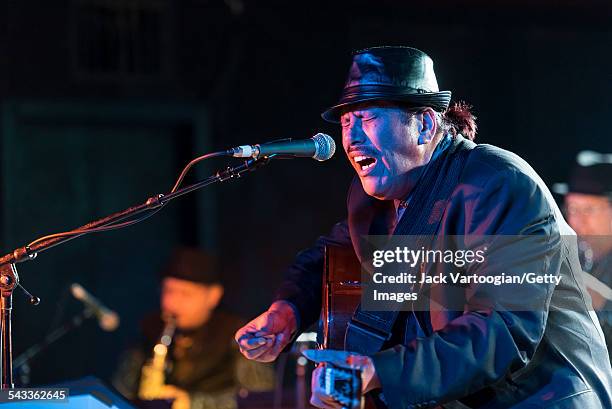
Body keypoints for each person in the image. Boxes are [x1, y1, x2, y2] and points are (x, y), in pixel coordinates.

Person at [234, 46, 612, 408]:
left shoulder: (499, 184)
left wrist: (377, 370)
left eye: (367, 119)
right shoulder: (377, 202)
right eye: (347, 123)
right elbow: (330, 256)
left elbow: (502, 331)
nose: (351, 139)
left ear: (425, 125)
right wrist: (288, 311)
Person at [113, 247, 274, 409]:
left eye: (185, 294)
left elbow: (262, 399)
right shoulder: (147, 331)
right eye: (168, 291)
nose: (172, 303)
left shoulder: (238, 334)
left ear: (213, 296)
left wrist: (192, 403)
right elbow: (118, 393)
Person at [554, 159, 612, 363]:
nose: (578, 220)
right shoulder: (573, 252)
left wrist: (603, 301)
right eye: (572, 208)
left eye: (588, 209)